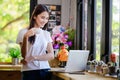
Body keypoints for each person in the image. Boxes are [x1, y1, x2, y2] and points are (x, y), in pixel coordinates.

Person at [16, 4, 54, 80]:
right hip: (29, 71)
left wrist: (34, 57)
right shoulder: (23, 32)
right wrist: (25, 37)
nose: (45, 21)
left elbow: (51, 55)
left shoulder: (46, 34)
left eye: (47, 18)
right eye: (42, 17)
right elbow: (24, 55)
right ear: (34, 16)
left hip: (45, 70)